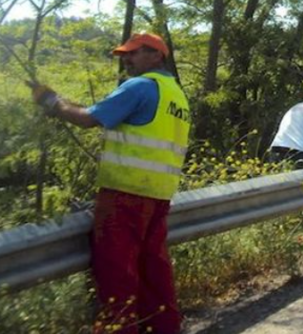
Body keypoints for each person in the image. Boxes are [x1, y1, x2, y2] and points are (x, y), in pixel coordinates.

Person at [30, 32, 190, 334]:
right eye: (124, 55)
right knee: (155, 275)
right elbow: (104, 113)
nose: (127, 59)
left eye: (134, 53)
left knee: (117, 276)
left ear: (157, 55)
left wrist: (51, 102)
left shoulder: (141, 86)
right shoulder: (176, 94)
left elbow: (89, 119)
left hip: (124, 197)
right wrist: (68, 104)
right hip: (158, 197)